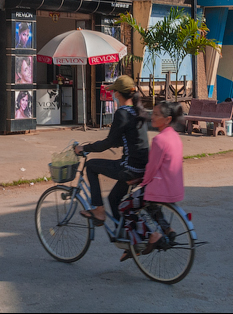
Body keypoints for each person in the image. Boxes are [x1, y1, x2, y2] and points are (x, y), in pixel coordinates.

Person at [116, 100, 186, 261]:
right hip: (174, 189)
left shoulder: (159, 140)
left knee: (125, 206)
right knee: (148, 205)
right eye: (152, 113)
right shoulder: (175, 137)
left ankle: (150, 235)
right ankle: (167, 229)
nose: (151, 117)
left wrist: (141, 182)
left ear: (167, 119)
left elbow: (152, 168)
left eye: (156, 115)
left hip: (160, 189)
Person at [74, 76, 149, 226]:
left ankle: (99, 210)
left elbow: (108, 142)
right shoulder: (137, 112)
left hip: (129, 167)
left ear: (118, 94)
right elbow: (129, 138)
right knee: (113, 199)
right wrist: (117, 143)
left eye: (114, 92)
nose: (114, 95)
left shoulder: (122, 113)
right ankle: (126, 240)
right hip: (142, 167)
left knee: (91, 166)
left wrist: (84, 148)